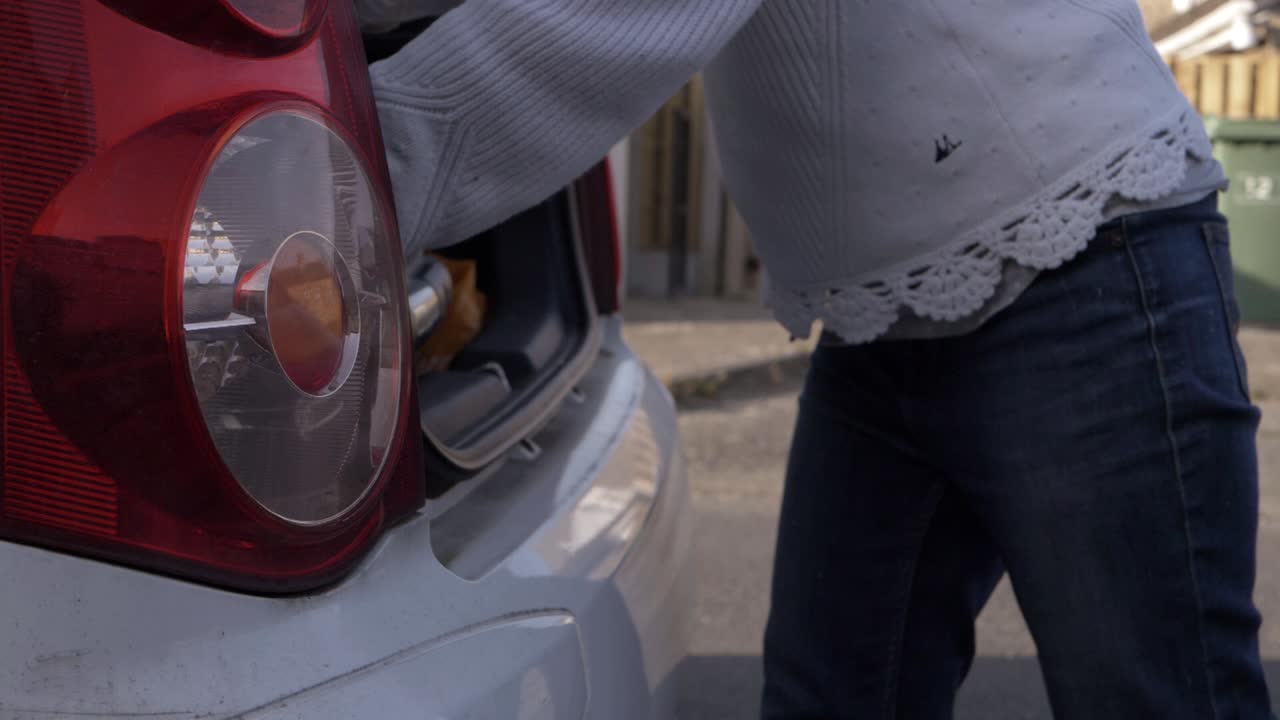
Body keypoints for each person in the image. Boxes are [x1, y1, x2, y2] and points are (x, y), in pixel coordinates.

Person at [356, 1, 1275, 717]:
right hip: (887, 312)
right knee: (835, 703)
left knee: (1160, 699)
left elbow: (603, 22)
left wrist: (336, 175)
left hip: (1087, 265)